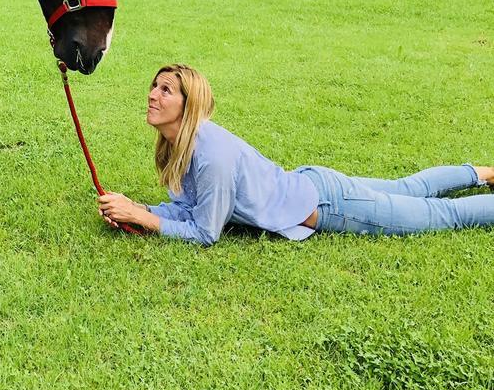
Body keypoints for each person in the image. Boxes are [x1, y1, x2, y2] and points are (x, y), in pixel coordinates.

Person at [97, 63, 494, 245]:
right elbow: (194, 210)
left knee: (443, 216)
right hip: (314, 183)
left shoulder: (211, 156)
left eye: (166, 90)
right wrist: (138, 207)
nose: (153, 94)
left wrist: (142, 219)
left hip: (332, 205)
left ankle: (484, 176)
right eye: (155, 86)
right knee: (408, 186)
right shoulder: (180, 145)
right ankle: (485, 172)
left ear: (190, 104)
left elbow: (205, 232)